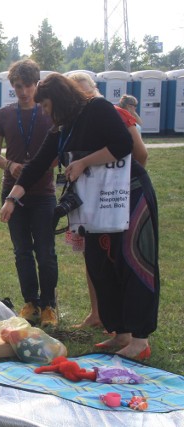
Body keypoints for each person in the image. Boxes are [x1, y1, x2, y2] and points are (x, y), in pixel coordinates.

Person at [0, 73, 159, 360]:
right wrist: (12, 198)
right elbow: (36, 165)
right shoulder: (63, 126)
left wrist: (84, 162)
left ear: (59, 99)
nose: (46, 112)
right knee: (101, 265)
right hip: (96, 204)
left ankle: (140, 339)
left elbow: (123, 145)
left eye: (46, 106)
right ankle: (120, 332)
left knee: (132, 264)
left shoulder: (97, 109)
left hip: (129, 197)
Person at [67, 73, 149, 329]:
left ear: (96, 90)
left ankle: (123, 322)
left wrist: (122, 185)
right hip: (91, 199)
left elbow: (140, 153)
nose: (85, 100)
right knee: (94, 258)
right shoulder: (78, 121)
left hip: (115, 199)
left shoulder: (116, 114)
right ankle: (98, 313)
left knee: (117, 258)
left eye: (86, 93)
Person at [0, 59, 59, 327]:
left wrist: (41, 167)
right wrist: (10, 165)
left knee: (45, 252)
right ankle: (30, 302)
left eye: (29, 85)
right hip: (11, 192)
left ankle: (49, 305)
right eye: (18, 86)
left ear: (37, 84)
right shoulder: (4, 115)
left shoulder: (48, 112)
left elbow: (59, 151)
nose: (24, 91)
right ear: (12, 86)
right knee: (22, 252)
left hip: (43, 192)